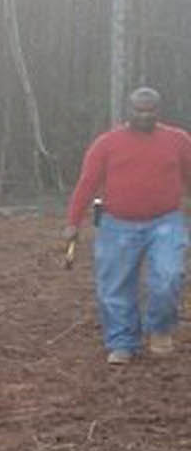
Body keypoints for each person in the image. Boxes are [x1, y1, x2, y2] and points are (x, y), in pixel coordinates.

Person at [63, 87, 191, 364]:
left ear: (158, 111)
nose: (144, 115)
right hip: (117, 223)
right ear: (128, 111)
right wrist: (73, 221)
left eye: (150, 110)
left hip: (165, 221)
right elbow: (87, 183)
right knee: (115, 286)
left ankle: (159, 328)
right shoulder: (107, 144)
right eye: (139, 110)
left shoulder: (178, 140)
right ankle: (122, 341)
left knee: (169, 276)